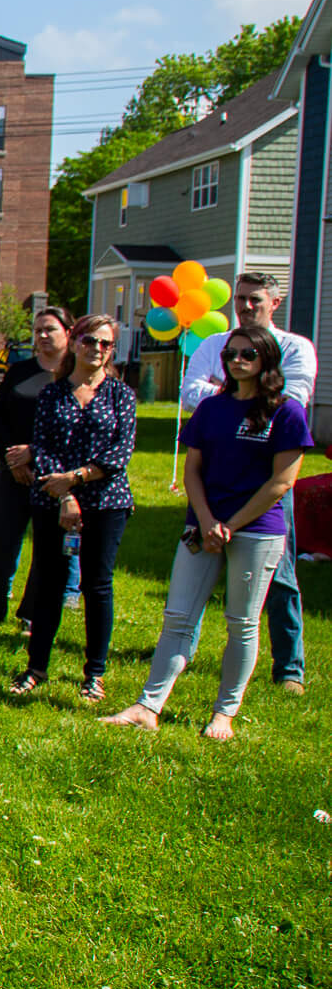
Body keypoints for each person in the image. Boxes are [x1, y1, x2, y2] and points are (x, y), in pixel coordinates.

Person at [105, 327, 309, 740]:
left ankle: (224, 714)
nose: (237, 361)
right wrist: (205, 520)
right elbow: (192, 470)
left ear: (267, 359)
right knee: (178, 617)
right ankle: (147, 706)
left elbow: (282, 482)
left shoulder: (286, 412)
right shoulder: (212, 408)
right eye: (231, 354)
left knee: (242, 623)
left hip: (256, 531)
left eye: (248, 354)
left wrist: (230, 526)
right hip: (202, 525)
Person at [177, 271, 316, 694]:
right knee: (199, 559)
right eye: (240, 299)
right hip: (216, 472)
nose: (246, 306)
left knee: (280, 575)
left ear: (275, 303)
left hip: (264, 477)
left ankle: (289, 667)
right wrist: (237, 393)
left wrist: (229, 395)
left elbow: (293, 399)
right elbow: (189, 391)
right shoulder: (214, 343)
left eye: (255, 299)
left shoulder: (295, 347)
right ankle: (182, 650)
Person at [8, 313, 136, 701]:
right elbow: (43, 446)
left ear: (112, 350)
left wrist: (76, 479)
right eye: (89, 340)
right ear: (75, 343)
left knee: (98, 585)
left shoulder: (121, 395)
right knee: (49, 582)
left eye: (105, 343)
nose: (97, 349)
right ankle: (36, 667)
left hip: (106, 501)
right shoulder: (53, 393)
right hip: (53, 499)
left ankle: (94, 674)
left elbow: (120, 452)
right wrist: (64, 495)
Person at [0, 307, 74, 626]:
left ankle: (32, 614)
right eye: (38, 330)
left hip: (55, 473)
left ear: (68, 332)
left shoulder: (74, 376)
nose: (42, 335)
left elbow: (75, 428)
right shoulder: (19, 371)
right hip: (12, 470)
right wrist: (11, 458)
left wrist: (34, 454)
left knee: (48, 546)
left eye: (50, 329)